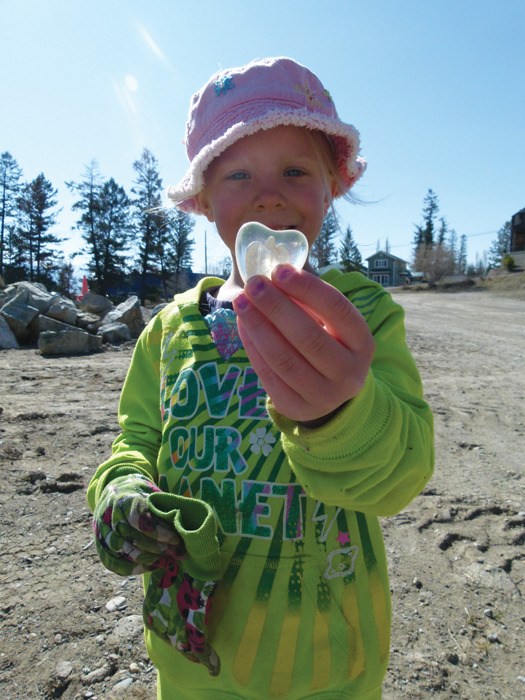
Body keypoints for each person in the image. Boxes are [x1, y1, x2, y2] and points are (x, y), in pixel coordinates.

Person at [87, 56, 434, 699]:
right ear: (205, 200)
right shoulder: (168, 330)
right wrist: (123, 487)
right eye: (239, 174)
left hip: (329, 658)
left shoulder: (362, 315)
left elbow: (402, 475)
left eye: (296, 171)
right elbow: (135, 437)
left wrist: (342, 414)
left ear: (332, 186)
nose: (269, 195)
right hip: (193, 651)